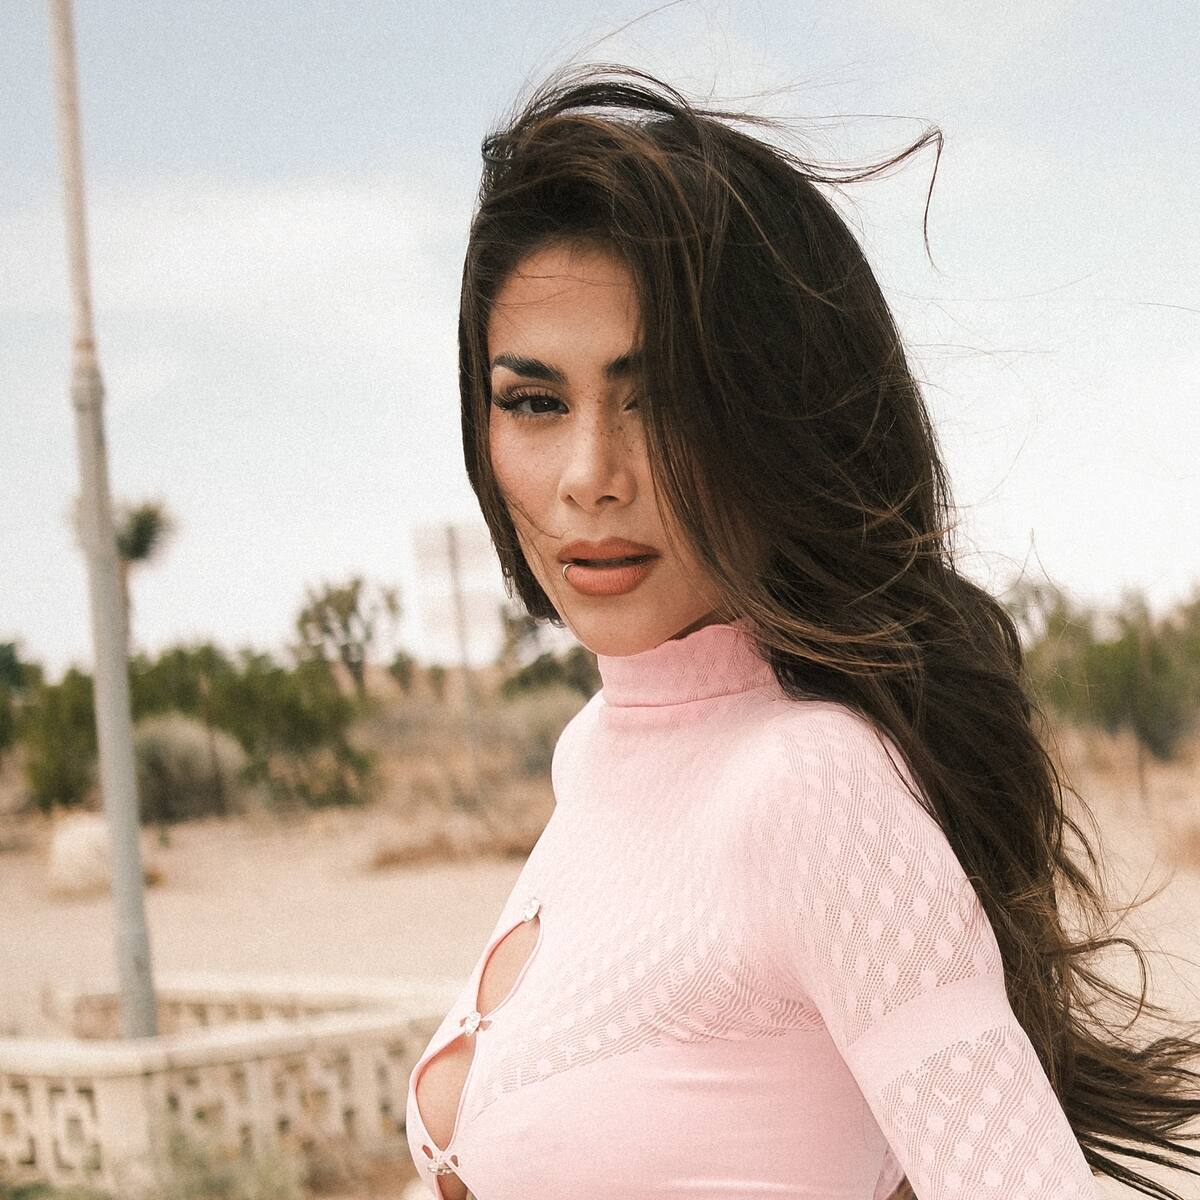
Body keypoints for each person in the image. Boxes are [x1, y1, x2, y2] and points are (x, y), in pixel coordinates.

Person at [404, 64, 1200, 1199]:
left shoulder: (810, 785)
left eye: (660, 397)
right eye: (535, 401)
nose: (590, 475)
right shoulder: (596, 754)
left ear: (775, 417)